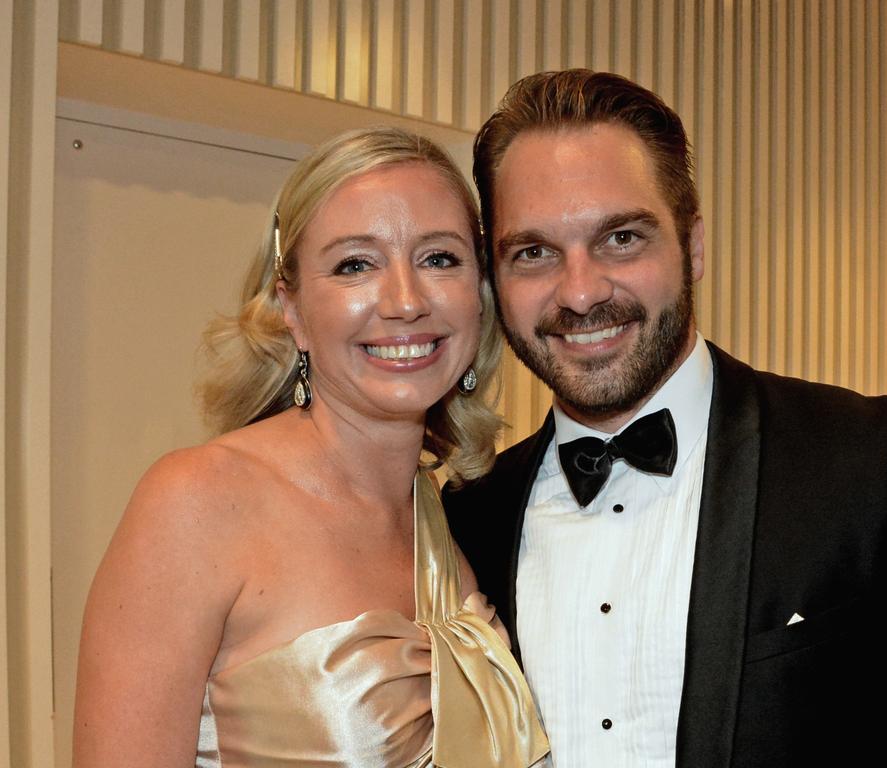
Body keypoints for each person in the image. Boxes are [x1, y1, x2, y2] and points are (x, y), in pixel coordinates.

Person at [443, 69, 887, 767]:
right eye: (533, 252)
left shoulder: (874, 466)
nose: (580, 291)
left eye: (621, 238)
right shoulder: (466, 520)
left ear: (693, 247)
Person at [73, 127, 549, 768]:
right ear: (290, 307)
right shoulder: (197, 504)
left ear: (481, 299)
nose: (405, 301)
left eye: (439, 259)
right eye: (355, 264)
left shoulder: (451, 521)